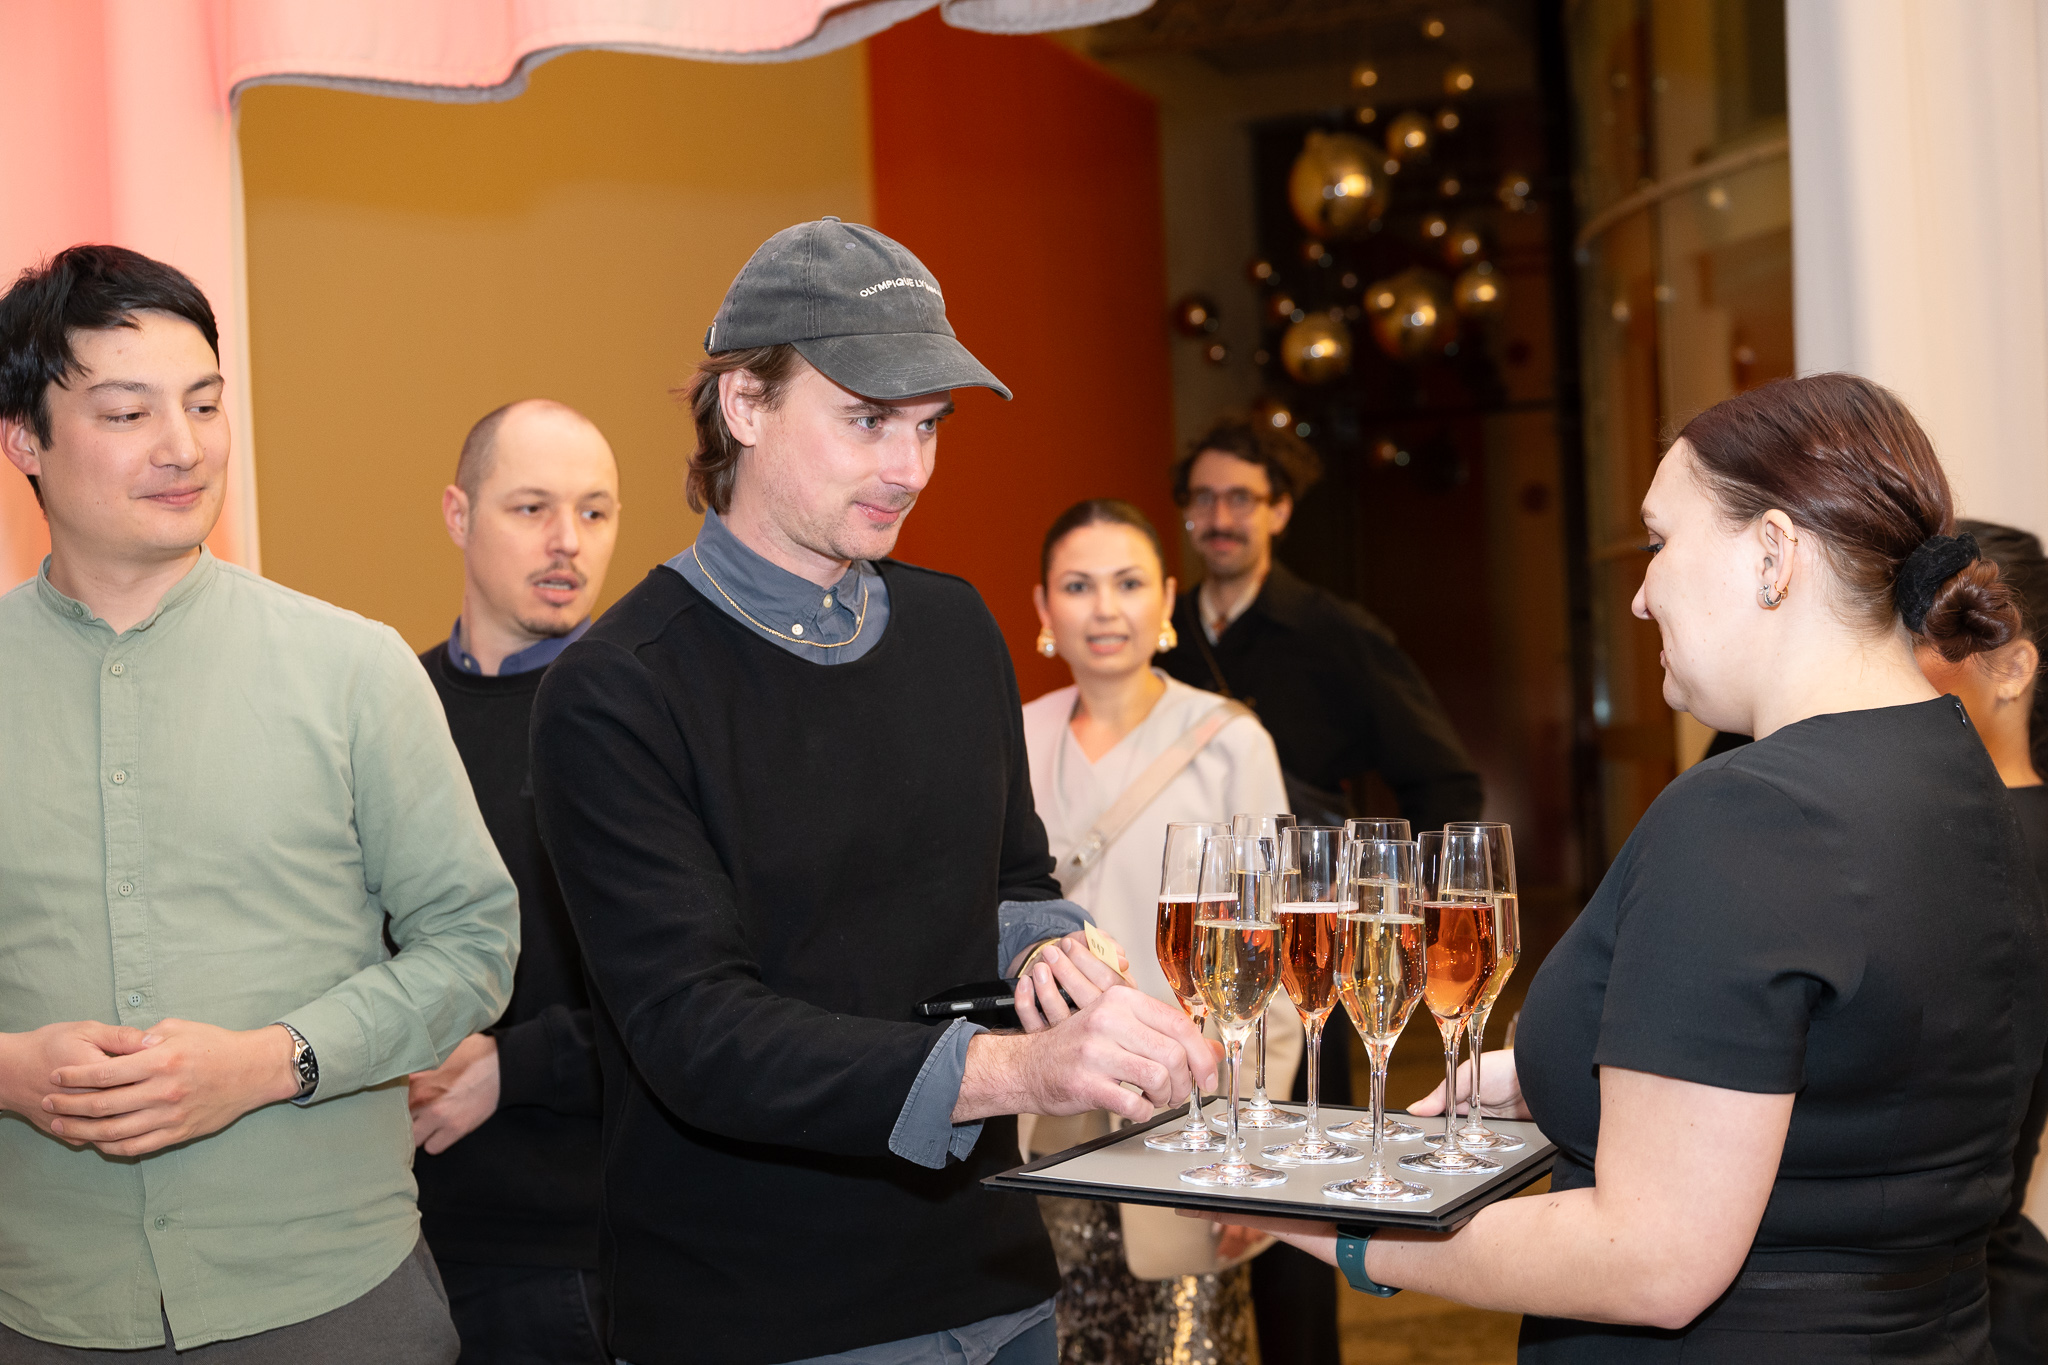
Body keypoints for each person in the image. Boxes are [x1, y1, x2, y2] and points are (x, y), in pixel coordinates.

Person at [1187, 373, 2048, 1363]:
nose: (1638, 596)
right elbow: (1853, 1086)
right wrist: (1574, 1078)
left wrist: (1340, 1224)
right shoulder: (1964, 780)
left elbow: (1650, 1259)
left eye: (1657, 542)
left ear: (1772, 553)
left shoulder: (1750, 811)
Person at [528, 218, 1216, 1365]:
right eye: (866, 421)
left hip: (995, 1280)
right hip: (762, 1313)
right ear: (743, 405)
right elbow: (699, 1033)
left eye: (927, 426)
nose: (909, 468)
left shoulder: (953, 626)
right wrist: (1020, 1069)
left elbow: (1009, 880)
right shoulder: (617, 688)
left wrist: (1050, 951)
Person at [0, 245, 519, 1361]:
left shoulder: (355, 668)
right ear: (24, 440)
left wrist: (272, 1061)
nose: (183, 447)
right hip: (43, 1304)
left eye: (203, 403)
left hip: (333, 1293)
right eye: (128, 412)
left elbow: (474, 945)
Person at [1156, 415, 1484, 1365]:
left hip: (1309, 951)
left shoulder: (1337, 635)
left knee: (1296, 1192)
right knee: (1194, 1182)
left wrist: (1384, 904)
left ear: (1281, 510)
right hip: (1205, 945)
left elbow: (1448, 785)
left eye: (1242, 498)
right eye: (1203, 498)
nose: (1221, 516)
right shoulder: (1161, 638)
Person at [1020, 498, 1296, 1365]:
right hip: (1037, 1131)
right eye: (1078, 586)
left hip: (1186, 1127)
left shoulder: (1230, 741)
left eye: (1129, 583)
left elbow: (1276, 968)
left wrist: (1250, 1146)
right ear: (1043, 607)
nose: (1105, 609)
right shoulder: (1012, 736)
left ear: (1168, 598)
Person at [410, 400, 621, 1364]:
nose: (567, 540)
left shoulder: (646, 710)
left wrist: (518, 1064)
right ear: (459, 515)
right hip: (402, 1234)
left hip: (584, 1239)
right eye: (532, 508)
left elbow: (721, 989)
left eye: (594, 511)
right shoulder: (394, 706)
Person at [1917, 520, 2048, 1365]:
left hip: (1964, 1309)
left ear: (2014, 667)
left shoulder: (2000, 848)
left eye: (1939, 635)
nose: (1906, 660)